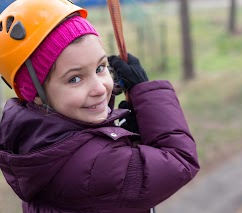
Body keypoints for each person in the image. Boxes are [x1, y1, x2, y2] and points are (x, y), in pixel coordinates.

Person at [0, 0, 200, 212]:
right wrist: (146, 92)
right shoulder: (93, 165)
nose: (100, 88)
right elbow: (180, 160)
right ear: (37, 95)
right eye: (75, 79)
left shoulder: (35, 141)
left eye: (101, 67)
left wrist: (125, 136)